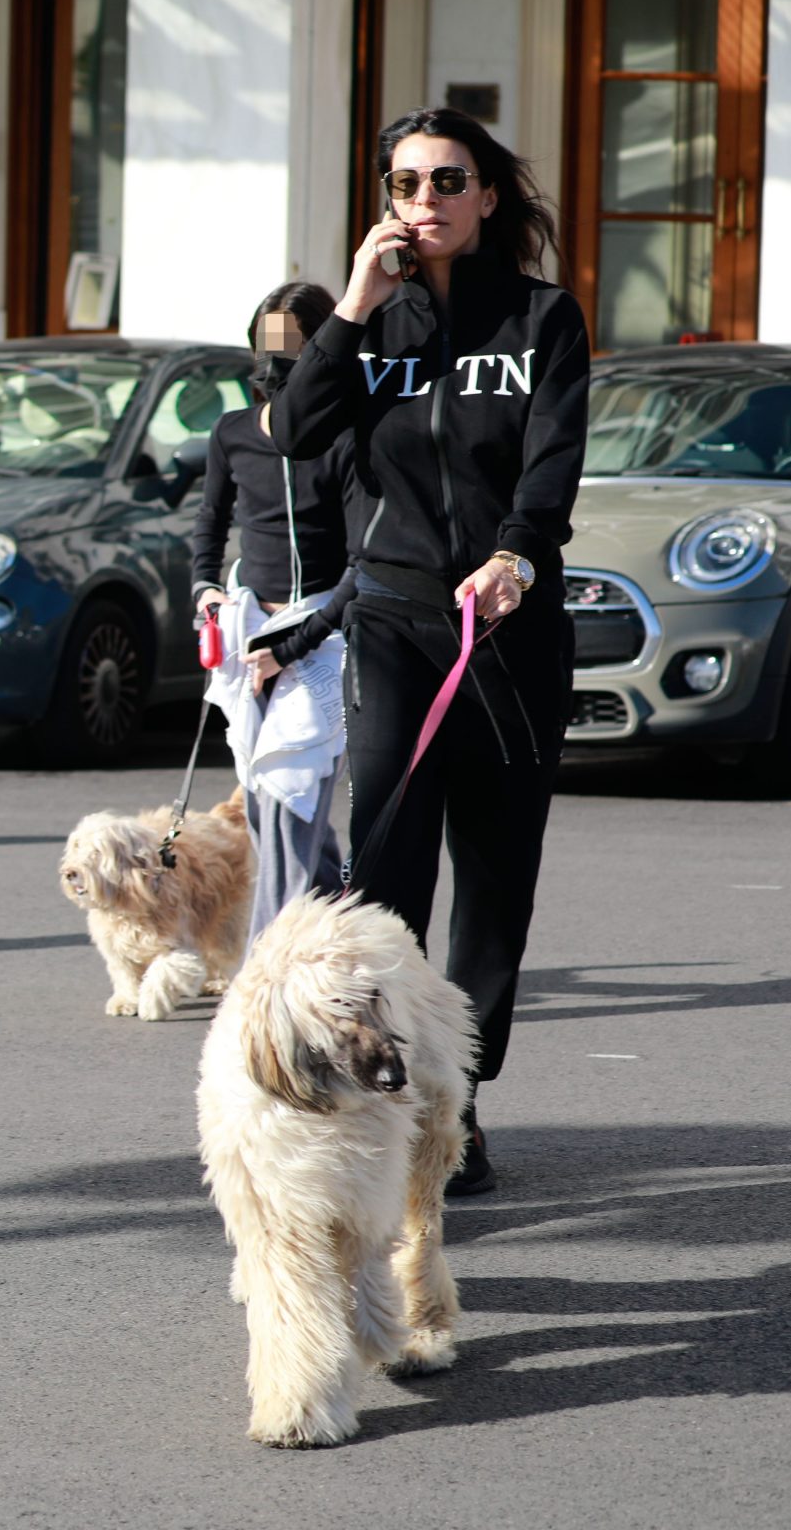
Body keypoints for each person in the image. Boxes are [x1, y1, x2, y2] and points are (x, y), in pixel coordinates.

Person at [269, 107, 589, 1197]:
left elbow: (550, 467)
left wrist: (513, 556)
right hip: (397, 624)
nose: (427, 200)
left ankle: (461, 1099)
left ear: (487, 195)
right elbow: (292, 432)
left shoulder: (542, 319)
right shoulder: (370, 328)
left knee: (495, 884)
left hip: (507, 628)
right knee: (389, 871)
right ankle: (385, 1087)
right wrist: (353, 304)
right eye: (405, 183)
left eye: (448, 181)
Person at [190, 281, 354, 942]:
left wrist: (296, 644)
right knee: (263, 805)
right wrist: (206, 589)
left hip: (322, 629)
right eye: (269, 346)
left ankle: (272, 957)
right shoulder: (232, 434)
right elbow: (209, 523)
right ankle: (337, 920)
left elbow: (363, 563)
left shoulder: (346, 437)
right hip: (248, 626)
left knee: (295, 797)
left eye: (295, 347)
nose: (277, 364)